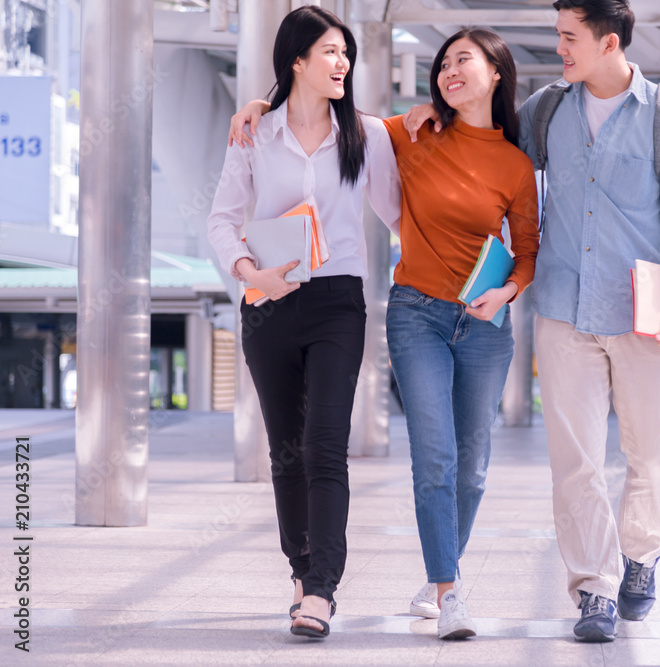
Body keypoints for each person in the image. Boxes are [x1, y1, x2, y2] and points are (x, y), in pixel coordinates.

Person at [402, 0, 660, 643]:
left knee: (652, 454)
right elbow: (485, 142)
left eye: (569, 38)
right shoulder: (547, 110)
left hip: (645, 316)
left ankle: (641, 555)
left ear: (608, 42)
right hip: (564, 310)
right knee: (574, 461)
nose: (560, 50)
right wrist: (434, 113)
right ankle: (593, 591)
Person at [229, 29, 539, 640]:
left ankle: (436, 572)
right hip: (415, 312)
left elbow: (527, 250)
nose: (449, 72)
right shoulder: (408, 131)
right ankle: (446, 591)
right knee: (435, 456)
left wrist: (505, 291)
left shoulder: (515, 163)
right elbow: (330, 111)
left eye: (463, 62)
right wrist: (260, 105)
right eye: (443, 63)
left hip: (482, 321)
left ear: (497, 74)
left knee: (471, 469)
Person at [207, 6, 400, 640]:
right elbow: (221, 219)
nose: (343, 62)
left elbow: (399, 213)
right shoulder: (254, 135)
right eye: (330, 52)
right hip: (267, 303)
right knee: (285, 452)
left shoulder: (365, 137)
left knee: (324, 445)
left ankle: (321, 589)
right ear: (296, 61)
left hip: (337, 303)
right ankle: (301, 570)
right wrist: (247, 272)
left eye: (347, 52)